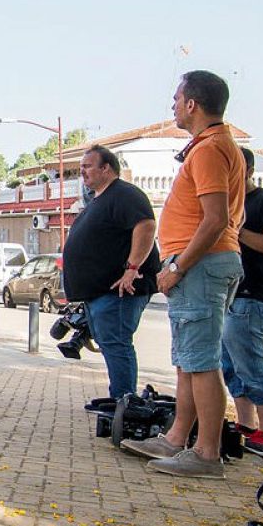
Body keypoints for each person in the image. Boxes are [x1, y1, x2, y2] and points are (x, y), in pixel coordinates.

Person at [121, 70, 246, 479]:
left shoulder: (210, 149)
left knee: (203, 362)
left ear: (192, 104)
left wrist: (177, 265)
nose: (172, 105)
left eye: (176, 98)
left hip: (202, 266)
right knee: (189, 361)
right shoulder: (210, 147)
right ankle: (177, 438)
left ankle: (207, 453)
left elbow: (215, 220)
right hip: (205, 264)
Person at [61, 145, 161, 400]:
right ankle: (120, 398)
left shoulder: (124, 194)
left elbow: (146, 226)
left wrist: (132, 268)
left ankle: (124, 402)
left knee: (117, 344)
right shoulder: (100, 198)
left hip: (119, 290)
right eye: (81, 167)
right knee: (110, 344)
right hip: (99, 294)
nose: (82, 172)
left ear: (106, 168)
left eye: (88, 166)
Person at [221, 146, 263, 457]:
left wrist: (235, 230)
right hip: (224, 295)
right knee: (229, 365)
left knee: (251, 362)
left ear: (247, 170)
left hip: (252, 295)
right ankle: (246, 424)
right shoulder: (227, 203)